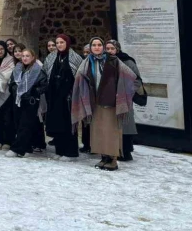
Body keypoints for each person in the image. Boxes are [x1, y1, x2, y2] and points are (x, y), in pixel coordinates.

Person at [72, 37, 137, 171]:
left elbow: (130, 76)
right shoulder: (87, 62)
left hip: (110, 102)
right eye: (94, 45)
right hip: (94, 102)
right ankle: (103, 157)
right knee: (98, 131)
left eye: (99, 45)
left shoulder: (113, 60)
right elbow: (79, 78)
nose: (97, 47)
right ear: (90, 47)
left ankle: (112, 159)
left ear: (103, 47)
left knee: (111, 131)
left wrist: (119, 91)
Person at [43, 34, 83, 160]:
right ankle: (59, 150)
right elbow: (45, 72)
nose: (59, 45)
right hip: (54, 96)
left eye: (62, 42)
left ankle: (70, 152)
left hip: (69, 97)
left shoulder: (75, 58)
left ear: (67, 43)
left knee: (69, 124)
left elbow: (80, 76)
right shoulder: (51, 57)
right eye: (57, 42)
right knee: (57, 123)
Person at [6, 48, 48, 158]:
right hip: (18, 101)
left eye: (27, 56)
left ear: (33, 57)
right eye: (23, 56)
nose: (25, 58)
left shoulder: (38, 70)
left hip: (30, 102)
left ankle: (17, 149)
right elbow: (11, 83)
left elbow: (44, 85)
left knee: (25, 125)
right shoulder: (17, 69)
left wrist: (34, 92)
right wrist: (15, 89)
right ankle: (27, 148)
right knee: (18, 124)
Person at [106, 40, 142, 161]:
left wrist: (126, 91)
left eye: (112, 48)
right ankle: (115, 149)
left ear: (117, 48)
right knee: (113, 125)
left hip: (124, 98)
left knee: (125, 124)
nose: (110, 51)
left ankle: (126, 151)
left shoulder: (127, 61)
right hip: (110, 98)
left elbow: (136, 80)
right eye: (108, 48)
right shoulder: (106, 62)